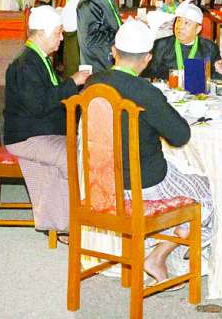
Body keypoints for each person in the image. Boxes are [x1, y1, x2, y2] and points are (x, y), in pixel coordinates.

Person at [88, 21, 212, 282]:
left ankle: (165, 244)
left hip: (100, 185)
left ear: (114, 51)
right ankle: (161, 253)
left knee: (180, 173)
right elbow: (180, 135)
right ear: (147, 59)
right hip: (142, 185)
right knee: (207, 192)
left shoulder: (91, 84)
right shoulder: (145, 92)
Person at [4, 5, 92, 235]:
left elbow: (49, 96)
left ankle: (65, 219)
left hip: (37, 129)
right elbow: (39, 105)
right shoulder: (26, 64)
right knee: (75, 156)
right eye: (58, 32)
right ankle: (69, 223)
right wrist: (72, 82)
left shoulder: (38, 58)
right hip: (26, 137)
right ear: (42, 32)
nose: (62, 38)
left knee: (82, 146)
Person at [75, 0, 136, 74]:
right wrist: (124, 31)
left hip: (109, 67)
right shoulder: (90, 2)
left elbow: (107, 27)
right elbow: (90, 39)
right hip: (99, 70)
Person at [144, 2, 222, 83]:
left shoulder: (209, 48)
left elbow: (217, 80)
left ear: (198, 29)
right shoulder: (161, 45)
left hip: (198, 92)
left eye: (186, 23)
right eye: (178, 21)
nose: (180, 26)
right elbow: (148, 75)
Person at [59, 0, 95, 74]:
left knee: (78, 60)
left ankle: (80, 82)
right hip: (68, 29)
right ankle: (70, 81)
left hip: (80, 29)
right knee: (68, 58)